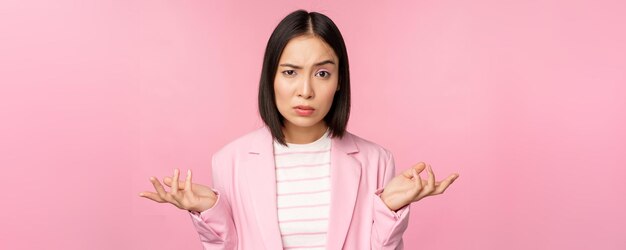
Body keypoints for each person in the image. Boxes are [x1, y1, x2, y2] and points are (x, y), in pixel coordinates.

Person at [139, 9, 459, 250]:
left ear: (338, 83)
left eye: (322, 73)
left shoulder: (376, 160)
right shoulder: (230, 161)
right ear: (271, 78)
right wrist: (211, 212)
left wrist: (389, 210)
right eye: (290, 71)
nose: (305, 90)